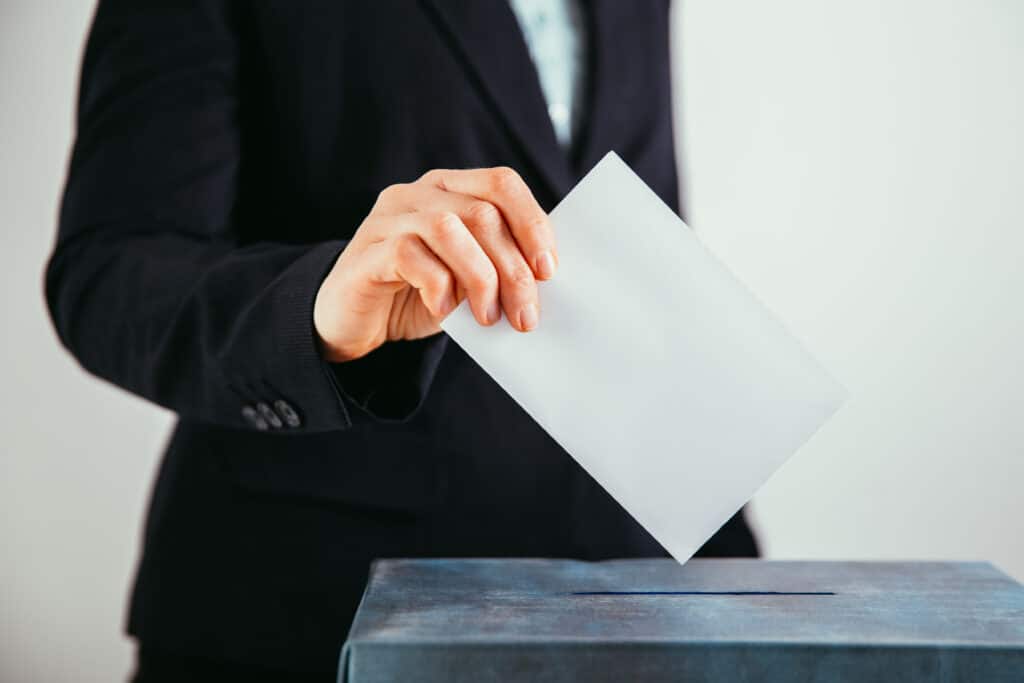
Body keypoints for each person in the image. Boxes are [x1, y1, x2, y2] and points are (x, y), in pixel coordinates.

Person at [46, 1, 759, 680]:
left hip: (626, 613)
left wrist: (737, 571)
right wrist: (320, 303)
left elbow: (643, 256)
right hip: (308, 616)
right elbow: (110, 270)